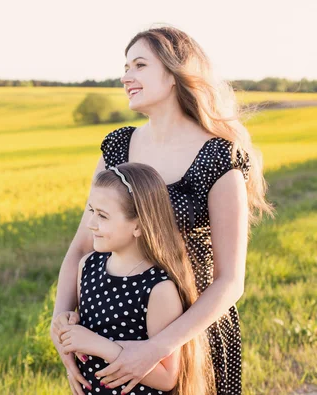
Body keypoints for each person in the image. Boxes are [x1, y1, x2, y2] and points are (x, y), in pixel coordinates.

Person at [50, 25, 273, 395]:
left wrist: (157, 348)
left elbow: (230, 282)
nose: (126, 77)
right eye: (125, 67)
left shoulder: (219, 157)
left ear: (173, 74)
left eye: (139, 65)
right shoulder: (118, 147)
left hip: (190, 332)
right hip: (115, 323)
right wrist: (61, 321)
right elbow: (82, 247)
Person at [56, 163, 215, 395]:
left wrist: (99, 346)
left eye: (102, 215)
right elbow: (97, 325)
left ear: (139, 225)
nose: (91, 223)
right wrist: (71, 322)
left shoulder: (158, 289)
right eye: (91, 211)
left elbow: (167, 378)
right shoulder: (88, 266)